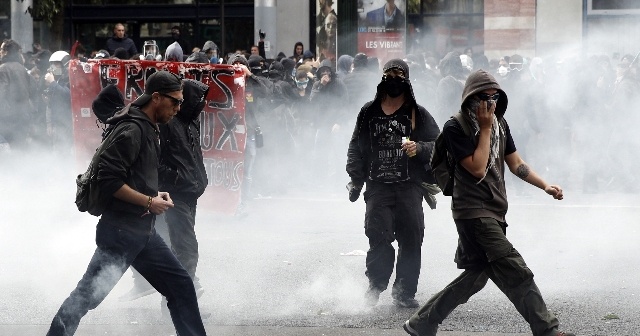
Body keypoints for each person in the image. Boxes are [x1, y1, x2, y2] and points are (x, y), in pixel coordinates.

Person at [402, 69, 573, 336]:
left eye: (495, 98)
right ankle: (546, 329)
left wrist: (545, 185)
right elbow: (478, 168)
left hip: (494, 210)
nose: (490, 104)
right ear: (471, 98)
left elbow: (516, 163)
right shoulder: (456, 127)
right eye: (484, 98)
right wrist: (484, 128)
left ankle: (422, 323)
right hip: (473, 213)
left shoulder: (500, 123)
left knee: (475, 277)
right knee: (517, 270)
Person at [45, 71, 207, 336]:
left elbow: (137, 176)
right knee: (87, 296)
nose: (179, 108)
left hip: (142, 231)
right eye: (175, 102)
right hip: (121, 233)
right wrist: (148, 201)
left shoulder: (148, 124)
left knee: (181, 287)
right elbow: (108, 179)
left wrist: (157, 194)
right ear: (156, 97)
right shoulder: (132, 129)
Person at [346, 59, 439, 309]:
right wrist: (356, 178)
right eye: (390, 74)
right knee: (378, 237)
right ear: (382, 78)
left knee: (411, 239)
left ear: (407, 79)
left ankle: (404, 293)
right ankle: (375, 287)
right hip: (378, 186)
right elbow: (356, 146)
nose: (394, 78)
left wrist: (419, 148)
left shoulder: (418, 113)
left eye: (399, 74)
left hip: (409, 186)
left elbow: (441, 146)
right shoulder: (368, 112)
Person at [0, 39, 38, 151]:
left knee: (8, 152)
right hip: (23, 116)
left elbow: (1, 94)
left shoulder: (3, 69)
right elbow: (33, 92)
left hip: (8, 119)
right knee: (20, 150)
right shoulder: (23, 69)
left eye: (2, 49)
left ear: (6, 51)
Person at [44, 50, 73, 152]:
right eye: (52, 64)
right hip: (57, 123)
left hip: (67, 124)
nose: (53, 67)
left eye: (56, 64)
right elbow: (50, 104)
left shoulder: (71, 79)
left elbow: (67, 95)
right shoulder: (57, 80)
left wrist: (52, 83)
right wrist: (49, 123)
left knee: (64, 151)